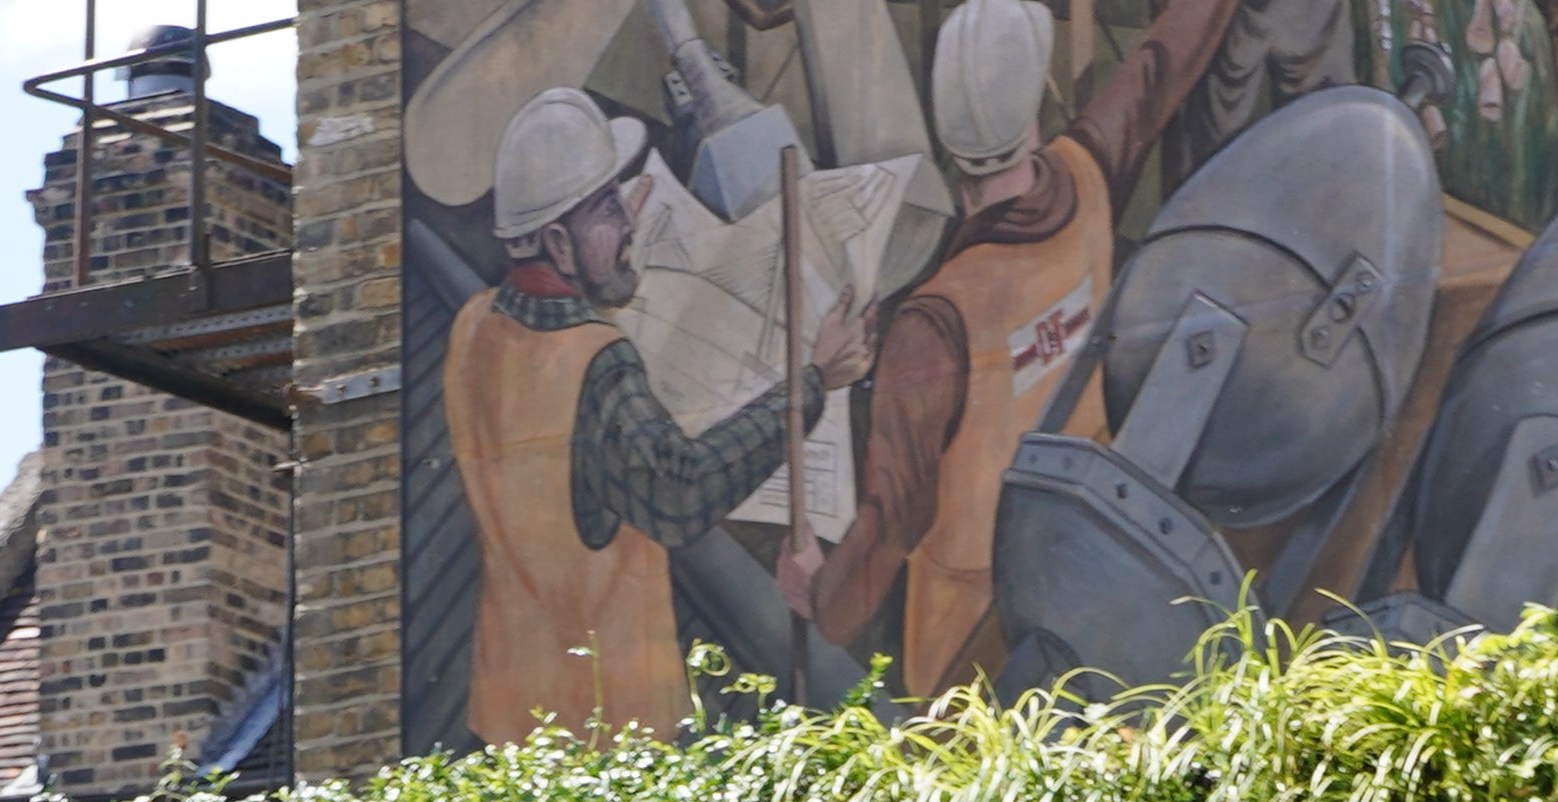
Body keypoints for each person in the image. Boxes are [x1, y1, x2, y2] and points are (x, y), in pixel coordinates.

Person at [803, 0, 1254, 694]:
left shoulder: (932, 321)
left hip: (972, 637)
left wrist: (820, 598)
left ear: (946, 142)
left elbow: (895, 516)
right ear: (1037, 107)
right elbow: (1157, 67)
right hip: (1091, 569)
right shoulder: (1089, 173)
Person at [445, 83, 879, 745]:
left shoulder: (474, 326)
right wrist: (815, 381)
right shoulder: (599, 364)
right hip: (610, 730)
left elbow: (548, 405)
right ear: (559, 242)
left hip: (509, 715)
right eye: (610, 208)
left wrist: (602, 270)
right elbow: (680, 493)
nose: (630, 221)